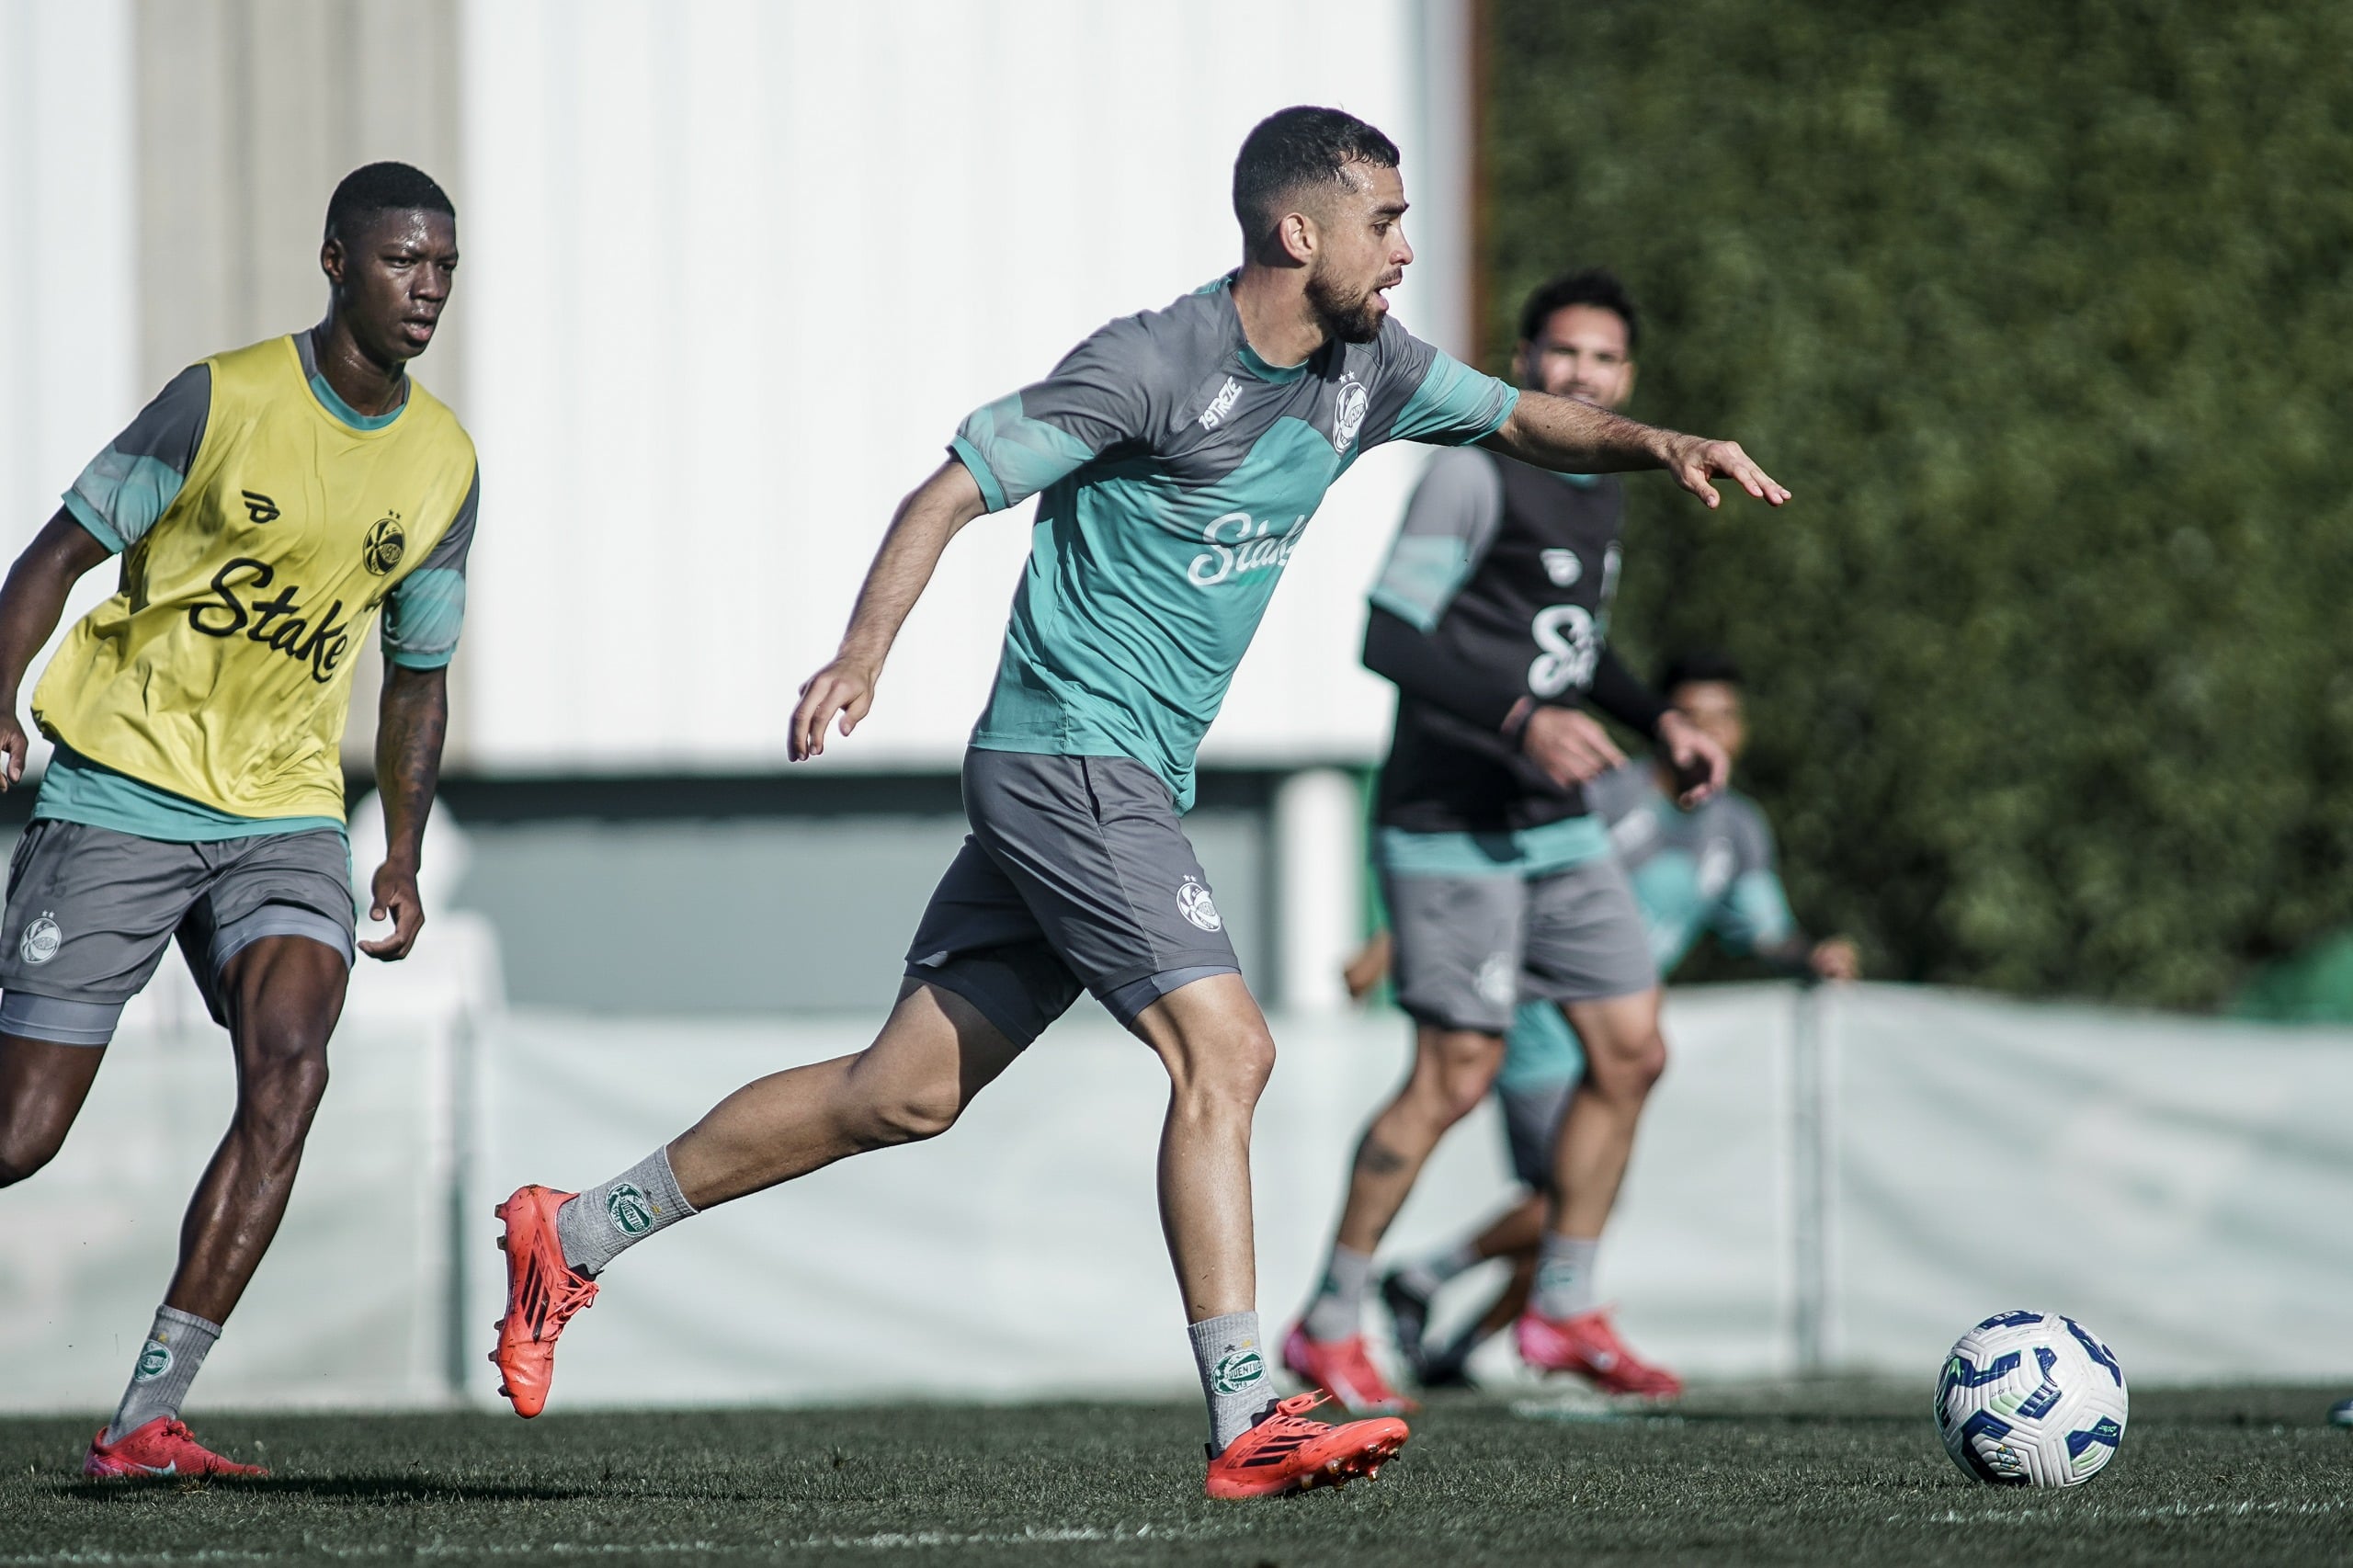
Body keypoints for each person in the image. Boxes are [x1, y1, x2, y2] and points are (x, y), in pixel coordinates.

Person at [487, 107, 1787, 1501]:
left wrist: (1659, 442)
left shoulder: (1372, 367)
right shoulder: (1155, 364)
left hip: (1121, 777)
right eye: (1386, 221)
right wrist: (863, 654)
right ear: (1301, 233)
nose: (1406, 248)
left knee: (902, 1092)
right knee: (1226, 1051)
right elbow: (950, 491)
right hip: (1070, 757)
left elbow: (1524, 414)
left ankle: (576, 1228)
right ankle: (1247, 1412)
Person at [0, 163, 477, 1479]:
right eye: (401, 260)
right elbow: (57, 553)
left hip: (282, 811)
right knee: (20, 1135)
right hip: (123, 786)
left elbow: (418, 678)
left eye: (443, 264)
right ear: (335, 262)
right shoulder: (223, 398)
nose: (426, 285)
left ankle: (147, 1414)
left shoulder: (442, 465)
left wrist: (397, 848)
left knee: (293, 1068)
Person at [1287, 269, 1722, 1413]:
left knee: (1632, 1051)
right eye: (1561, 355)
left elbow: (1570, 649)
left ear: (1627, 379)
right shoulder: (1476, 471)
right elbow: (1389, 636)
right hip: (1448, 825)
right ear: (1524, 361)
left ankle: (1560, 1304)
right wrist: (1522, 721)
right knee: (1454, 1074)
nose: (1580, 374)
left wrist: (1658, 720)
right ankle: (1328, 1316)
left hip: (1552, 829)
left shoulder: (1600, 487)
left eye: (1603, 361)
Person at [1379, 652, 1859, 1387]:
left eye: (1726, 717)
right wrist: (1391, 944)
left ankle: (1453, 1345)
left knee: (1580, 1208)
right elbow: (1506, 866)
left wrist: (1810, 956)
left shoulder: (1738, 828)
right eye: (1695, 716)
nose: (1713, 731)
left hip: (1617, 1035)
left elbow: (1762, 929)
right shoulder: (1609, 794)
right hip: (1544, 1018)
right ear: (1664, 726)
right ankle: (1421, 1276)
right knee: (1571, 1202)